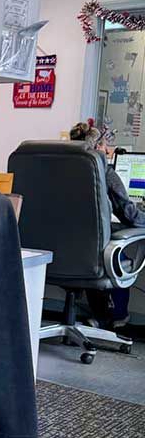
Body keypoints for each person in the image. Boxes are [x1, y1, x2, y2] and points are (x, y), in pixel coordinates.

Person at [69, 120, 145, 328]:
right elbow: (129, 215)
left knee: (93, 250)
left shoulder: (61, 170)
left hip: (62, 252)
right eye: (104, 146)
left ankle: (99, 316)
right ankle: (117, 316)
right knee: (113, 257)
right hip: (92, 254)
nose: (108, 150)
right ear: (96, 149)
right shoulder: (104, 173)